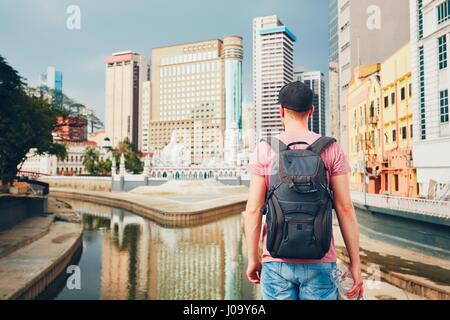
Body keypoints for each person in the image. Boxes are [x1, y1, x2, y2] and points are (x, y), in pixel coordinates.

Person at [245, 81, 364, 300]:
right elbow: (345, 208)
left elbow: (253, 209)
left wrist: (253, 258)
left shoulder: (265, 149)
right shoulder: (331, 149)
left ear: (281, 110)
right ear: (311, 111)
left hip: (276, 260)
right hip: (321, 260)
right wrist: (355, 264)